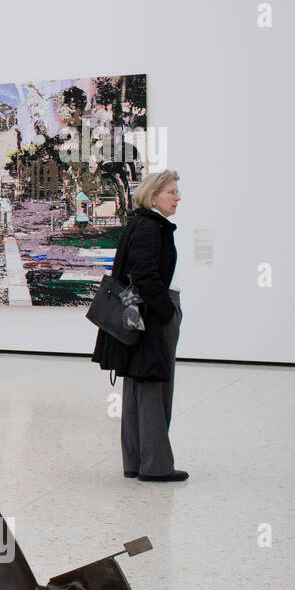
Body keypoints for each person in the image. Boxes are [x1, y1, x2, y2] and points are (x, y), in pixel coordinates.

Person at [92, 171, 186, 483]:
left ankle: (135, 462)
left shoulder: (140, 223)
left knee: (137, 384)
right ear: (153, 195)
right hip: (150, 315)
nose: (177, 198)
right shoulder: (151, 227)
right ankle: (156, 466)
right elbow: (145, 274)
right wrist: (166, 312)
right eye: (171, 192)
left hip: (138, 315)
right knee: (154, 387)